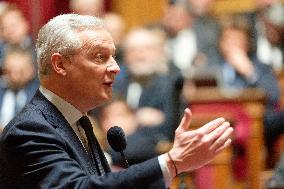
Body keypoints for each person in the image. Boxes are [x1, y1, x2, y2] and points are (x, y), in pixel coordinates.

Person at [0, 14, 233, 189]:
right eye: (100, 57)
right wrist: (172, 162)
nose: (116, 67)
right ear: (60, 65)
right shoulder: (30, 130)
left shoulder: (77, 119)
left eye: (113, 55)